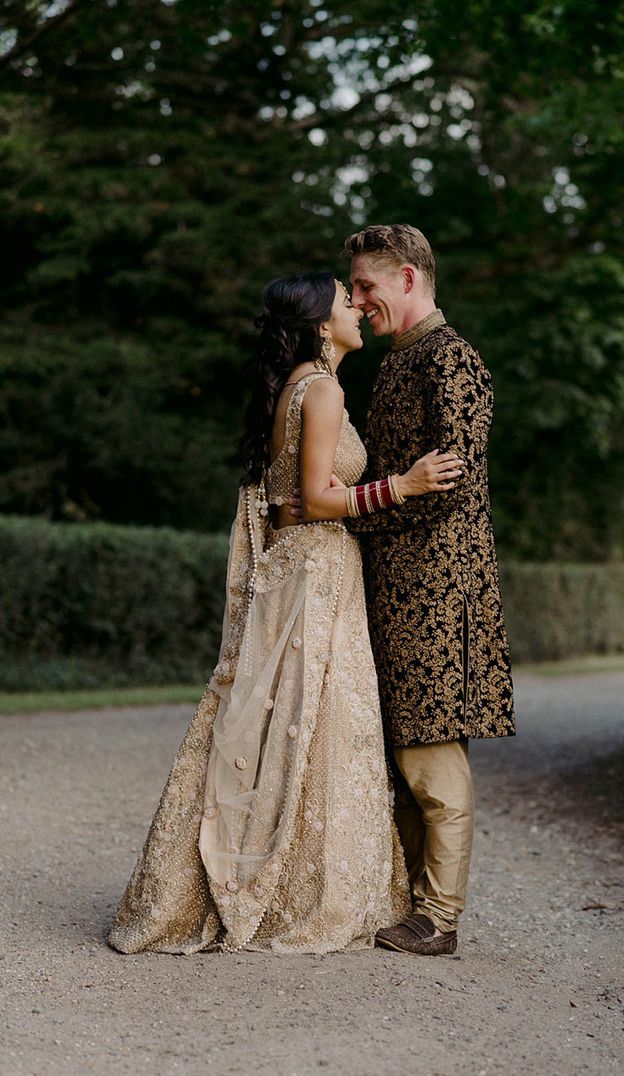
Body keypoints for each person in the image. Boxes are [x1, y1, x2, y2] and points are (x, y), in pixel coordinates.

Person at [107, 270, 462, 955]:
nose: (358, 307)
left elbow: (295, 496)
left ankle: (255, 874)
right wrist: (406, 484)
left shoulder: (298, 385)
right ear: (321, 326)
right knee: (314, 724)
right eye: (345, 300)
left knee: (282, 725)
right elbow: (317, 498)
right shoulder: (321, 388)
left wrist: (323, 496)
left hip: (302, 570)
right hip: (317, 571)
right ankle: (297, 892)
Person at [342, 224, 515, 957]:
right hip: (394, 583)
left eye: (365, 287)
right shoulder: (399, 361)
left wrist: (358, 514)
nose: (357, 301)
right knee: (396, 751)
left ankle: (438, 918)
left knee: (429, 753)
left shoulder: (453, 360)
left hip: (438, 591)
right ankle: (408, 902)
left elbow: (451, 486)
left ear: (408, 278)